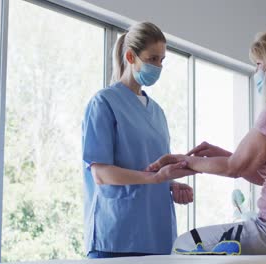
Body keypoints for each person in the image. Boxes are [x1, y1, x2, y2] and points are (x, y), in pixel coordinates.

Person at [147, 27, 266, 255]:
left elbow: (234, 168)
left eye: (258, 64)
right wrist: (223, 155)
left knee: (184, 244)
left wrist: (183, 160)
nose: (255, 72)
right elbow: (261, 175)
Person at [81, 22, 195, 259]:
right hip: (116, 238)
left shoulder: (158, 112)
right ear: (130, 56)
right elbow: (101, 174)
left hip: (157, 236)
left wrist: (171, 186)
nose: (158, 66)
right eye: (153, 58)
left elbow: (151, 169)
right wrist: (156, 178)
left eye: (162, 60)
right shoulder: (103, 103)